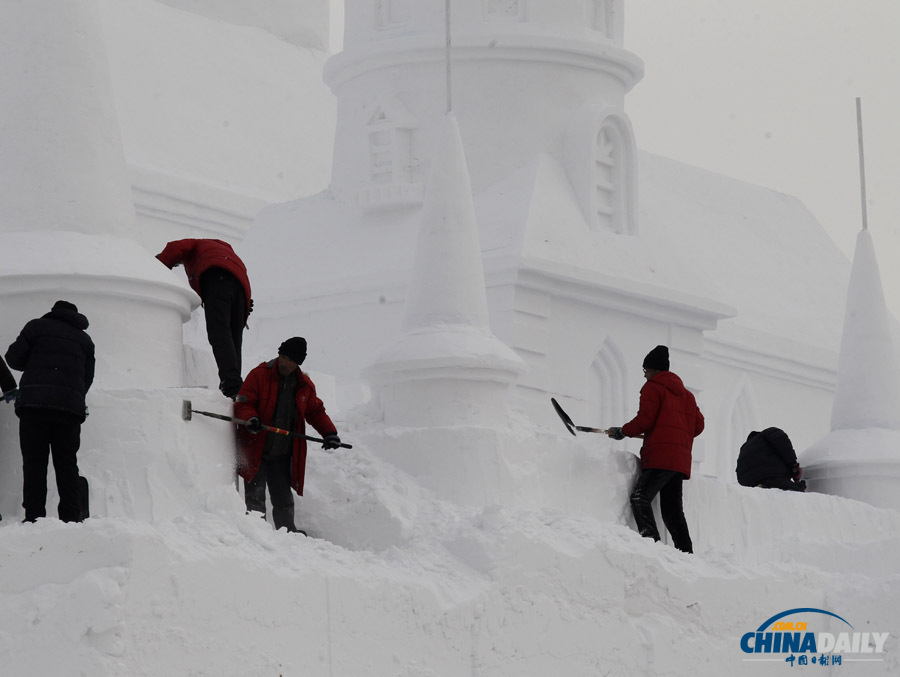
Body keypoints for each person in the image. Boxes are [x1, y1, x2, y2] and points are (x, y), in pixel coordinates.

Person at [234, 337, 342, 534]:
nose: (285, 363)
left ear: (298, 363)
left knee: (284, 501)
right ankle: (256, 536)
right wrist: (251, 419)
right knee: (255, 499)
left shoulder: (304, 386)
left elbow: (315, 412)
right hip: (255, 449)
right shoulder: (259, 375)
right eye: (283, 356)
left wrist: (330, 433)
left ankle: (289, 536)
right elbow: (243, 403)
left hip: (282, 455)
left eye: (291, 360)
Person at [607, 345, 704, 553]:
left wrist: (622, 431)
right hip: (679, 461)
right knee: (672, 512)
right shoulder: (687, 396)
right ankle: (687, 554)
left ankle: (651, 545)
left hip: (661, 457)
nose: (645, 376)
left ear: (654, 370)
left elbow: (645, 420)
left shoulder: (653, 387)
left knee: (639, 497)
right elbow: (698, 425)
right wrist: (677, 435)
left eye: (645, 371)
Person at [5, 300, 95, 523]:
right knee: (66, 463)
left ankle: (34, 516)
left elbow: (13, 358)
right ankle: (71, 517)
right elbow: (87, 378)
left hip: (34, 407)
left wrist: (36, 363)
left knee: (34, 463)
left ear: (53, 313)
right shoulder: (85, 340)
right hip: (68, 410)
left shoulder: (36, 327)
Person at [156, 238, 252, 399]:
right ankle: (235, 386)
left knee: (219, 333)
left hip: (217, 277)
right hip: (241, 287)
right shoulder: (222, 247)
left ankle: (231, 384)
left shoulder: (195, 245)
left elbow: (175, 247)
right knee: (234, 339)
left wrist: (157, 266)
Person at [736, 428, 806, 491]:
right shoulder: (769, 433)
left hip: (751, 485)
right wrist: (794, 466)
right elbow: (782, 441)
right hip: (772, 478)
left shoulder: (744, 451)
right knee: (798, 497)